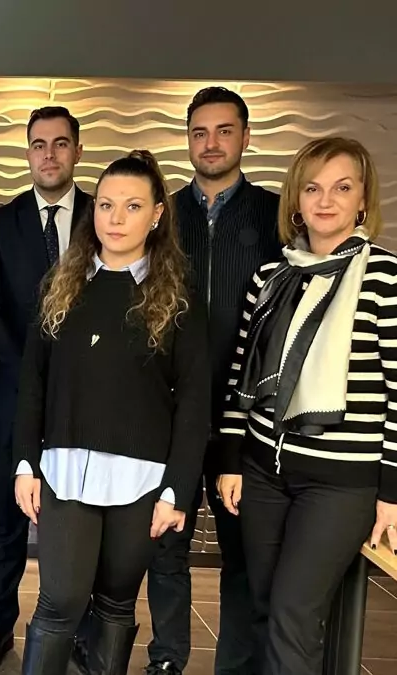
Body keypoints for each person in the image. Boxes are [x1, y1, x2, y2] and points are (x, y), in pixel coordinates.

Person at [13, 150, 208, 675]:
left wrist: (177, 489)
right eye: (105, 205)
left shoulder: (178, 299)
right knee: (60, 599)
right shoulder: (62, 285)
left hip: (142, 480)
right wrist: (25, 463)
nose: (116, 218)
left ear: (157, 214)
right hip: (64, 472)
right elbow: (32, 384)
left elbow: (194, 404)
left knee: (118, 602)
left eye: (132, 206)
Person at [215, 137, 397, 675]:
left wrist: (392, 493)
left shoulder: (385, 278)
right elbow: (242, 376)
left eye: (342, 187)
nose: (326, 200)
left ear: (363, 199)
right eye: (313, 188)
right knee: (263, 606)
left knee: (294, 615)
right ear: (296, 199)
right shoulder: (270, 279)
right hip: (263, 473)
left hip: (339, 484)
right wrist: (231, 460)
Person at [143, 86, 281, 675]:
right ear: (188, 140)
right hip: (171, 410)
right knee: (165, 545)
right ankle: (167, 659)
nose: (211, 143)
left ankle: (236, 667)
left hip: (244, 415)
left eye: (224, 131)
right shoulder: (164, 214)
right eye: (199, 132)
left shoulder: (276, 215)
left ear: (246, 137)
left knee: (241, 552)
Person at [0, 105, 90, 673]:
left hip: (86, 396)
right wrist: (32, 375)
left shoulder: (102, 215)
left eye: (60, 143)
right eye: (39, 144)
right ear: (27, 152)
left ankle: (82, 629)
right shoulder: (2, 223)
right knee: (6, 510)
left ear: (77, 151)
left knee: (83, 515)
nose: (49, 154)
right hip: (12, 390)